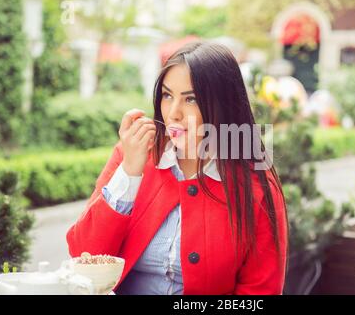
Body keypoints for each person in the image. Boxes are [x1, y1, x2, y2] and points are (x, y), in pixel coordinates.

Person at [66, 41, 288, 295]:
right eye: (167, 95)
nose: (173, 113)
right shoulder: (132, 154)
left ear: (224, 105)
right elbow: (83, 257)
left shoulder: (256, 185)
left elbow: (261, 291)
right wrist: (129, 172)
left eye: (191, 99)